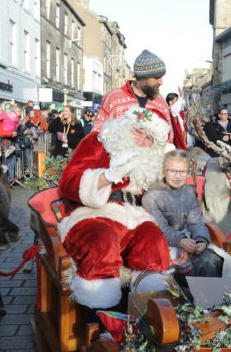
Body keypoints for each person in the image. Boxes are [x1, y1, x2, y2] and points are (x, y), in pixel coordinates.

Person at [58, 107, 171, 311]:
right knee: (103, 241)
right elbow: (67, 183)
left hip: (131, 216)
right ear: (127, 127)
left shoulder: (148, 161)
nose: (141, 141)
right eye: (138, 131)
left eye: (149, 139)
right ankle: (100, 316)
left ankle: (150, 309)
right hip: (89, 214)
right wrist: (107, 177)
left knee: (153, 239)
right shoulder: (97, 142)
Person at [142, 150, 224, 287]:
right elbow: (160, 229)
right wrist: (180, 241)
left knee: (211, 259)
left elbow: (196, 221)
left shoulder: (188, 191)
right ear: (163, 172)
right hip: (164, 244)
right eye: (172, 171)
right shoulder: (152, 196)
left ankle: (210, 300)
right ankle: (186, 300)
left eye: (182, 172)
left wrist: (201, 240)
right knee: (183, 262)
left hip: (187, 241)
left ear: (188, 173)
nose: (177, 176)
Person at [92, 49, 173, 142]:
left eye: (162, 77)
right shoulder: (114, 98)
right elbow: (96, 134)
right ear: (143, 77)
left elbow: (169, 138)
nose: (161, 82)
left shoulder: (160, 102)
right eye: (157, 77)